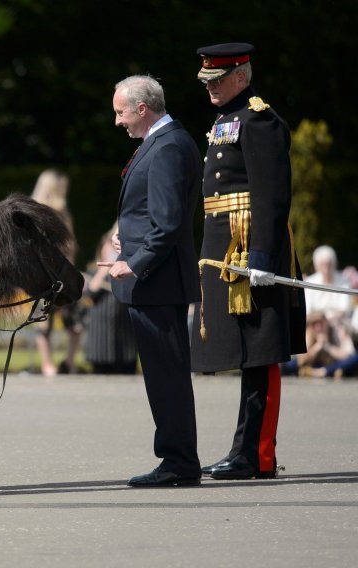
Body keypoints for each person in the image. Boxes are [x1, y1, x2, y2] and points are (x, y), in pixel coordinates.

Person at [190, 43, 307, 480]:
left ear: (242, 75)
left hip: (250, 247)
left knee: (261, 353)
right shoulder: (226, 119)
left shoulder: (260, 119)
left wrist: (262, 254)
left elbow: (272, 194)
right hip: (227, 246)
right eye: (207, 82)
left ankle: (256, 454)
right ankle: (242, 449)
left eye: (218, 80)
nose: (212, 88)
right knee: (244, 350)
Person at [100, 74, 202, 487]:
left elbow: (169, 222)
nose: (118, 121)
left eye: (121, 112)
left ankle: (178, 463)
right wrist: (128, 233)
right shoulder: (162, 143)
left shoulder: (168, 147)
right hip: (155, 282)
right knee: (164, 377)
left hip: (157, 284)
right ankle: (177, 459)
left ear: (142, 108)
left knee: (167, 378)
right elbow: (153, 215)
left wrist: (135, 261)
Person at [30, 169, 83, 375]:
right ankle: (63, 362)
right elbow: (70, 247)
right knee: (63, 321)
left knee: (45, 321)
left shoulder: (36, 211)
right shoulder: (54, 213)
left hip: (44, 273)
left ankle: (50, 364)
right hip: (53, 273)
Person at [83, 223, 138, 374]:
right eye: (109, 245)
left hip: (125, 342)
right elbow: (89, 295)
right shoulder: (94, 271)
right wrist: (103, 271)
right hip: (101, 342)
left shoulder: (129, 270)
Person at [303, 245, 353, 320]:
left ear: (335, 264)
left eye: (329, 264)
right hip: (316, 323)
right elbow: (308, 310)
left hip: (338, 322)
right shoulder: (310, 282)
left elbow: (345, 308)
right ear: (316, 266)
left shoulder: (344, 281)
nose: (326, 269)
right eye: (323, 265)